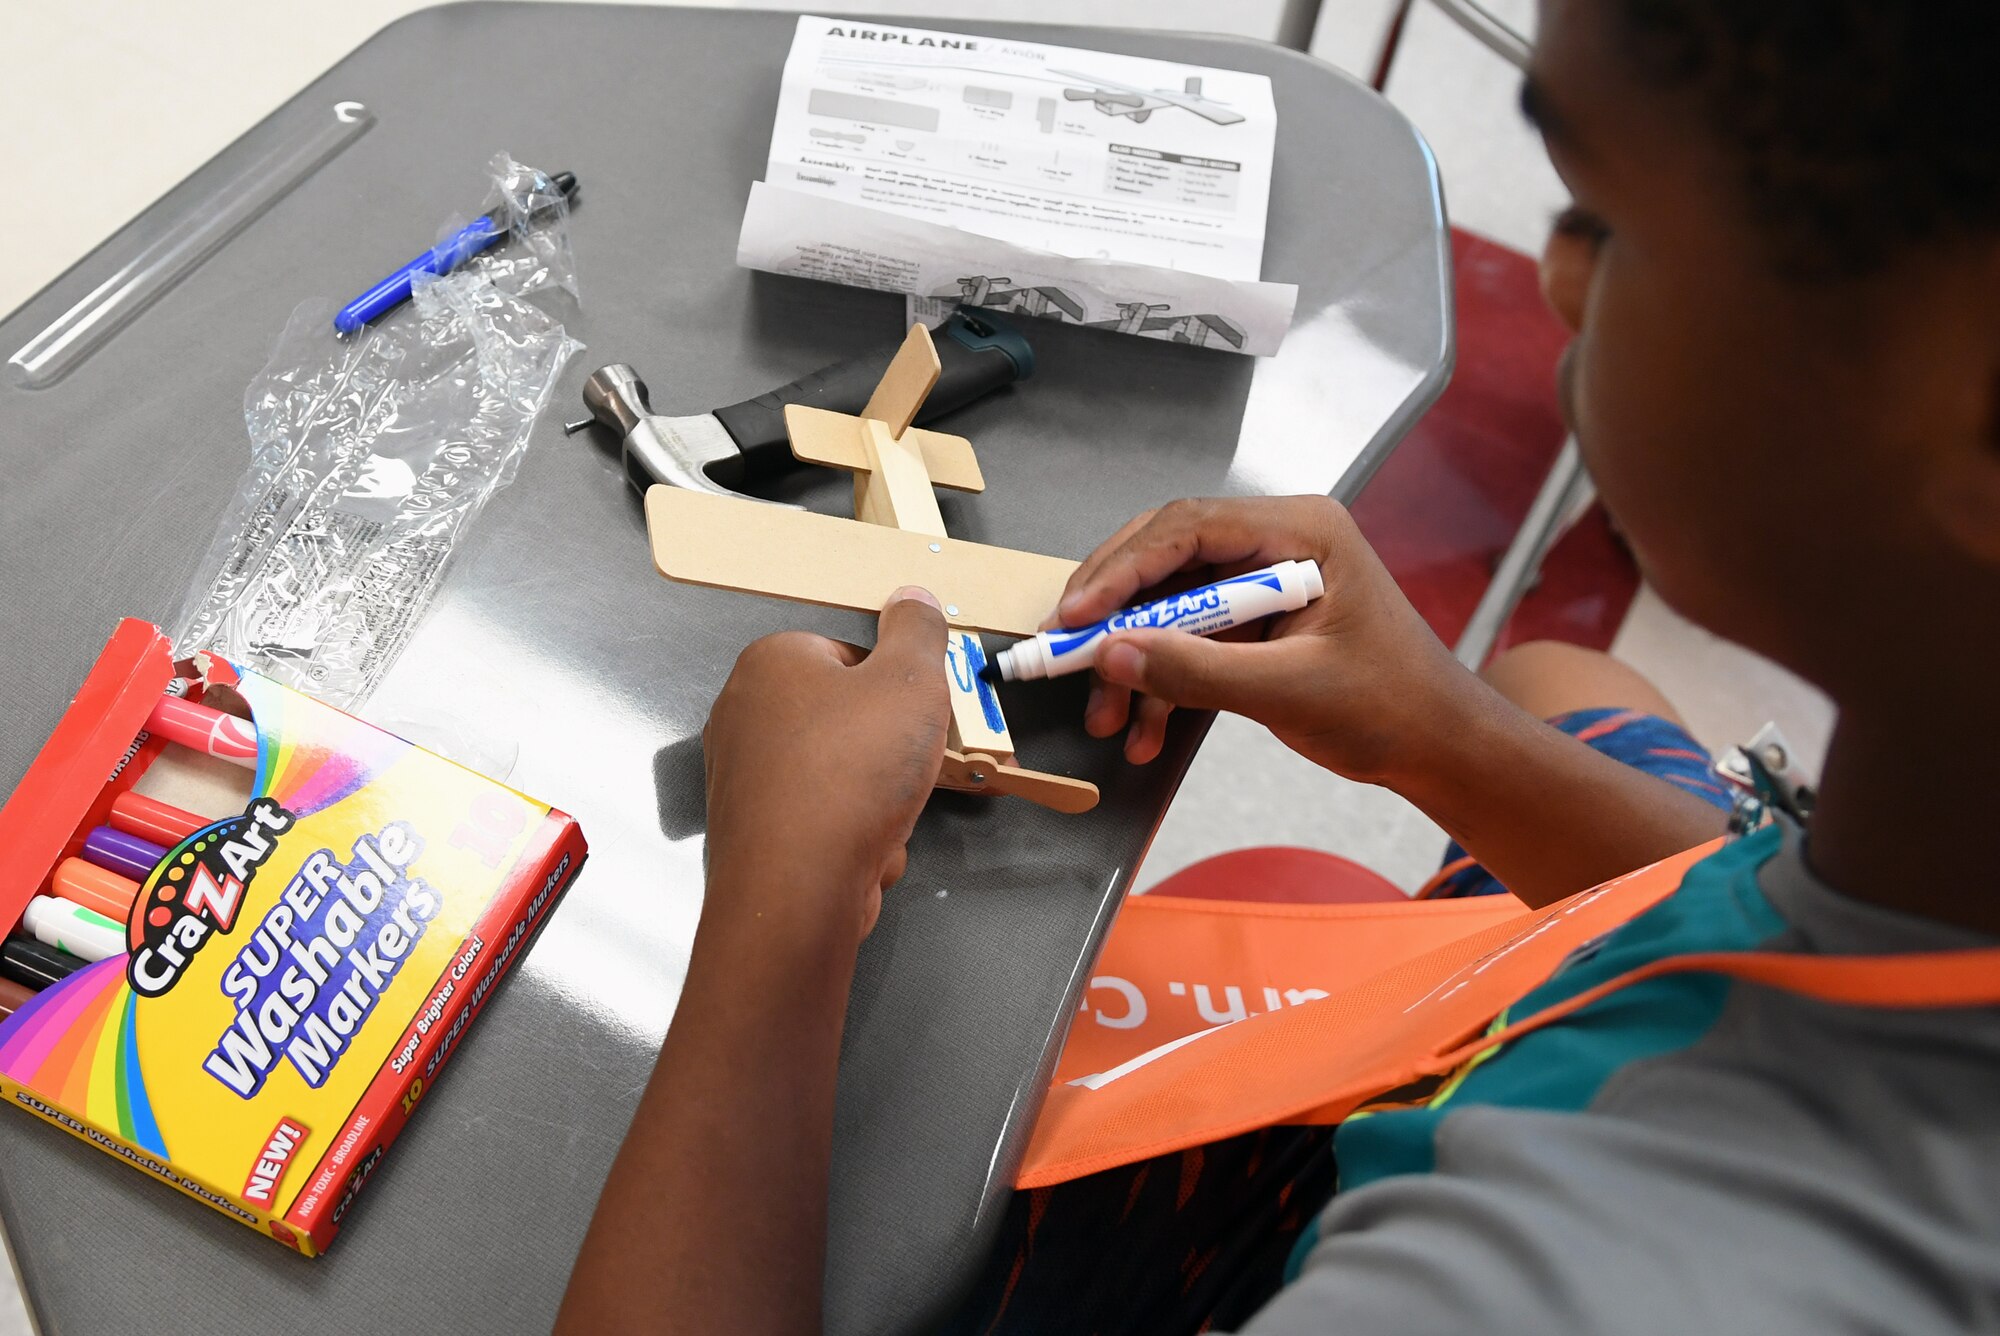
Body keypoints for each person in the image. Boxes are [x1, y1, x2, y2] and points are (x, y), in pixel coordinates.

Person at [555, 0, 2000, 1330]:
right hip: (1675, 965)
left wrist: (782, 907)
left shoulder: (1544, 1287)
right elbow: (1743, 898)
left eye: (1605, 217)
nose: (1554, 275)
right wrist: (1431, 729)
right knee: (1561, 679)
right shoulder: (1933, 858)